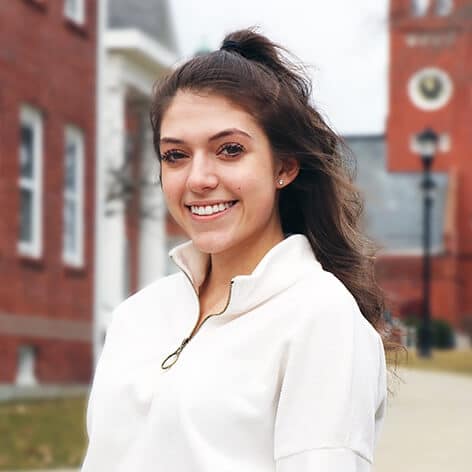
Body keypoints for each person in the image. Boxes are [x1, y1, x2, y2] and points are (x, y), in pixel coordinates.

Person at [81, 28, 400, 472]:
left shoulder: (320, 317)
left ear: (284, 167)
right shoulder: (137, 316)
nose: (198, 178)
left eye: (229, 150)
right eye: (175, 155)